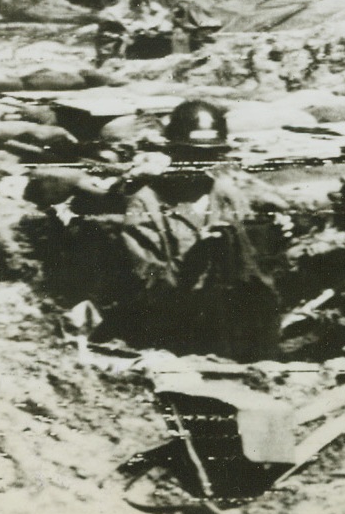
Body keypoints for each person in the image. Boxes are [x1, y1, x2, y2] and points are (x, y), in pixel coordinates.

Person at [49, 99, 292, 361]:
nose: (200, 163)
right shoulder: (146, 202)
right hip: (173, 330)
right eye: (192, 155)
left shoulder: (227, 195)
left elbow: (254, 273)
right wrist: (195, 259)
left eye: (210, 155)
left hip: (229, 329)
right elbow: (146, 284)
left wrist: (274, 243)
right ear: (174, 152)